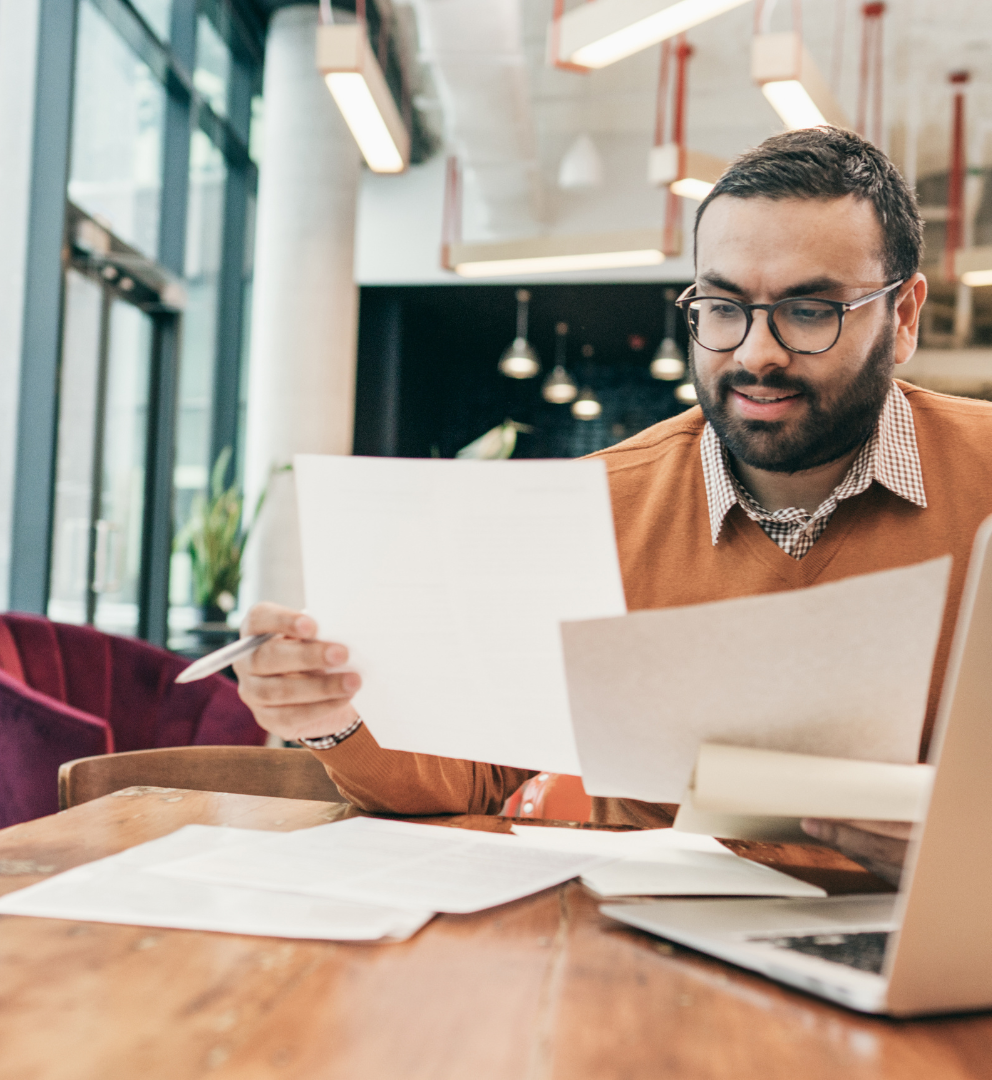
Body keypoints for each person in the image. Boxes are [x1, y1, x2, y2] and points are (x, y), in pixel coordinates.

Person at [233, 127, 992, 883]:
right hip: (654, 947)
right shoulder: (596, 504)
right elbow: (470, 776)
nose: (756, 353)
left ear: (903, 316)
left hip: (939, 938)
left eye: (809, 310)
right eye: (724, 307)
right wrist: (332, 713)